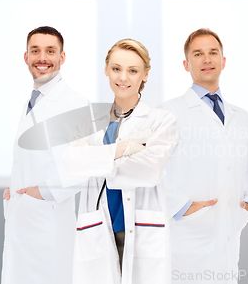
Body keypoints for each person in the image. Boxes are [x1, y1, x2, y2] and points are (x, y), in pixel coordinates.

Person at [60, 39, 177, 284]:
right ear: (106, 69)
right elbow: (71, 163)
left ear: (145, 75)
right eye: (116, 68)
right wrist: (124, 149)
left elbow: (150, 170)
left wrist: (96, 158)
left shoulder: (161, 121)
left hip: (140, 227)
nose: (123, 77)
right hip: (98, 227)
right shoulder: (88, 121)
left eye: (133, 71)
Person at [159, 28, 248, 283]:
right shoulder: (169, 112)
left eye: (213, 53)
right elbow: (151, 172)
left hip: (228, 239)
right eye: (198, 54)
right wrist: (184, 207)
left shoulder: (241, 117)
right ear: (186, 64)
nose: (207, 59)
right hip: (186, 241)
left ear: (223, 61)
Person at [1, 26, 88, 284]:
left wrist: (42, 192)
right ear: (26, 57)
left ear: (62, 58)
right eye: (35, 51)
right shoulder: (34, 100)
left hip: (47, 223)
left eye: (50, 51)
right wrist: (16, 186)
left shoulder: (73, 103)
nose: (42, 58)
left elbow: (84, 167)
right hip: (26, 218)